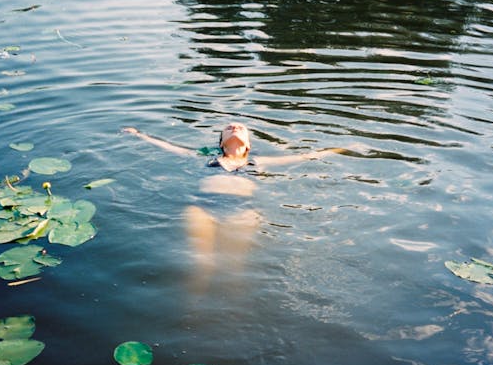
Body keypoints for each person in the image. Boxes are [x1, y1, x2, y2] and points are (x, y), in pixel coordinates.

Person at [123, 123, 346, 288]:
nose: (234, 127)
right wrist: (140, 135)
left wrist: (341, 149)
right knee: (200, 264)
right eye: (229, 128)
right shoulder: (206, 158)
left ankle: (233, 311)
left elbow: (304, 157)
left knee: (235, 266)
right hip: (201, 207)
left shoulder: (258, 161)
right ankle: (194, 306)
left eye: (240, 128)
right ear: (221, 143)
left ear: (248, 144)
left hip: (242, 210)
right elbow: (171, 148)